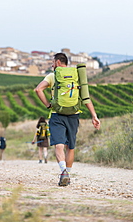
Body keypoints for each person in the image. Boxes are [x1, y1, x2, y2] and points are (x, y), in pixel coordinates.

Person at [34, 53, 100, 186]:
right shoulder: (76, 76)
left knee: (59, 144)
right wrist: (94, 115)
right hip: (74, 114)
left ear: (58, 62)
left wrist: (48, 104)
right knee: (70, 146)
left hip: (57, 114)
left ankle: (63, 171)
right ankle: (68, 175)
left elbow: (38, 89)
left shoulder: (53, 76)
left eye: (53, 62)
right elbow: (86, 98)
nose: (52, 65)